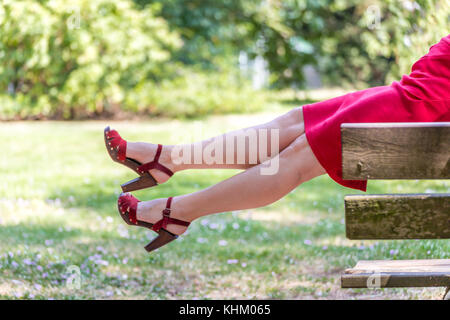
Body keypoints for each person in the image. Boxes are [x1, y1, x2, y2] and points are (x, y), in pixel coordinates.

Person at [104, 34, 450, 252]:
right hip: (412, 94)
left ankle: (176, 211)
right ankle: (166, 159)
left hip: (414, 104)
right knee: (290, 124)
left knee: (297, 158)